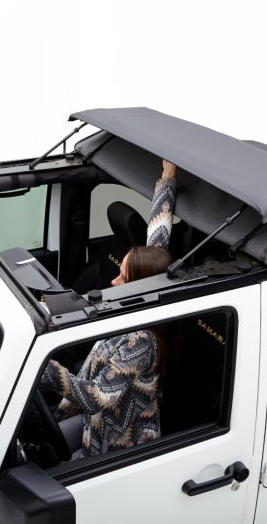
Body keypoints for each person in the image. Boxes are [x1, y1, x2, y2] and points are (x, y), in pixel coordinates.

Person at [39, 159, 177, 458]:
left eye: (124, 278)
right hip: (94, 423)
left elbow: (97, 398)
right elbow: (158, 235)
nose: (114, 281)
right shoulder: (147, 289)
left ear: (141, 285)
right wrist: (168, 178)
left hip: (116, 445)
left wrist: (44, 368)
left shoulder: (141, 340)